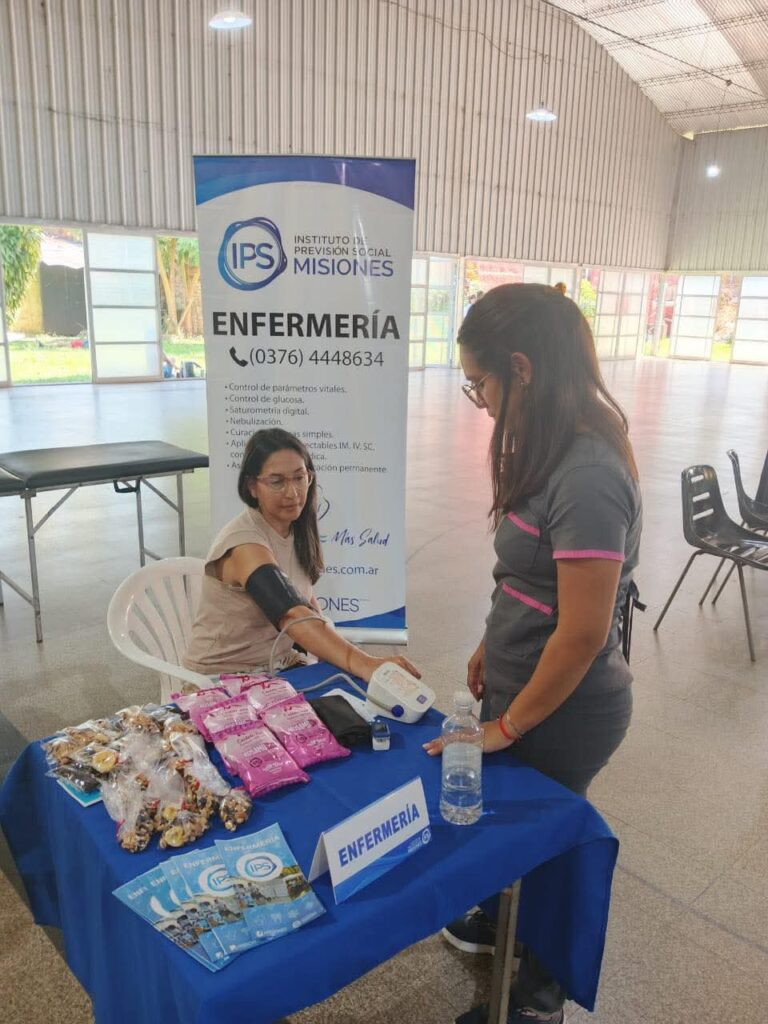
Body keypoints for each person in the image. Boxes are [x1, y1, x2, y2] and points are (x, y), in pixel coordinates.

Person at [423, 284, 641, 1024]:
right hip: (521, 684)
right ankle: (501, 920)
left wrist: (508, 726)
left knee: (547, 841)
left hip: (565, 709)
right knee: (514, 824)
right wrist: (492, 641)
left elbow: (581, 633)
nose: (479, 401)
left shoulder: (588, 474)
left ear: (521, 368)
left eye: (479, 383)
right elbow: (529, 573)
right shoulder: (548, 446)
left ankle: (540, 991)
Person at [183, 428, 419, 684]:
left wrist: (348, 659)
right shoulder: (245, 544)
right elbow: (291, 613)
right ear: (252, 486)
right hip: (219, 680)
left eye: (299, 477)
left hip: (277, 668)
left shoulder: (295, 530)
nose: (293, 493)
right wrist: (363, 663)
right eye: (277, 482)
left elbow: (308, 609)